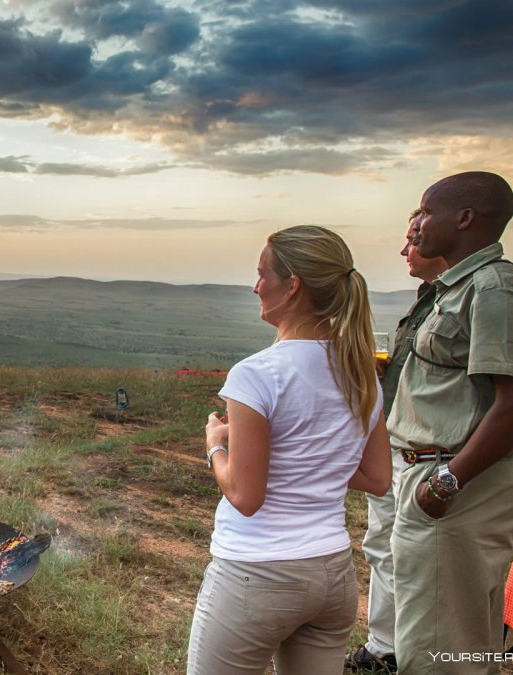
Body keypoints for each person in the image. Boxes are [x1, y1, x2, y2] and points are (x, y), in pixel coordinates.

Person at [188, 226, 391, 674]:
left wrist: (216, 447)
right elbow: (378, 478)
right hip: (333, 575)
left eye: (263, 275)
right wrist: (307, 460)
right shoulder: (361, 373)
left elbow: (245, 496)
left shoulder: (255, 375)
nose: (256, 285)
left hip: (256, 574)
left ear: (292, 284)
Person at [388, 172, 513, 674]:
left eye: (427, 211)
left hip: (456, 484)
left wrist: (448, 483)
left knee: (437, 654)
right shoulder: (458, 287)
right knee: (463, 641)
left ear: (465, 218)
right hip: (440, 476)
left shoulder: (494, 288)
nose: (417, 225)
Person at [346, 211, 448, 672]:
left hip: (433, 457)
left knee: (420, 563)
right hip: (398, 445)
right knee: (382, 545)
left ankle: (424, 656)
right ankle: (385, 647)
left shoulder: (482, 295)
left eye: (413, 238)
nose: (405, 249)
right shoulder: (430, 298)